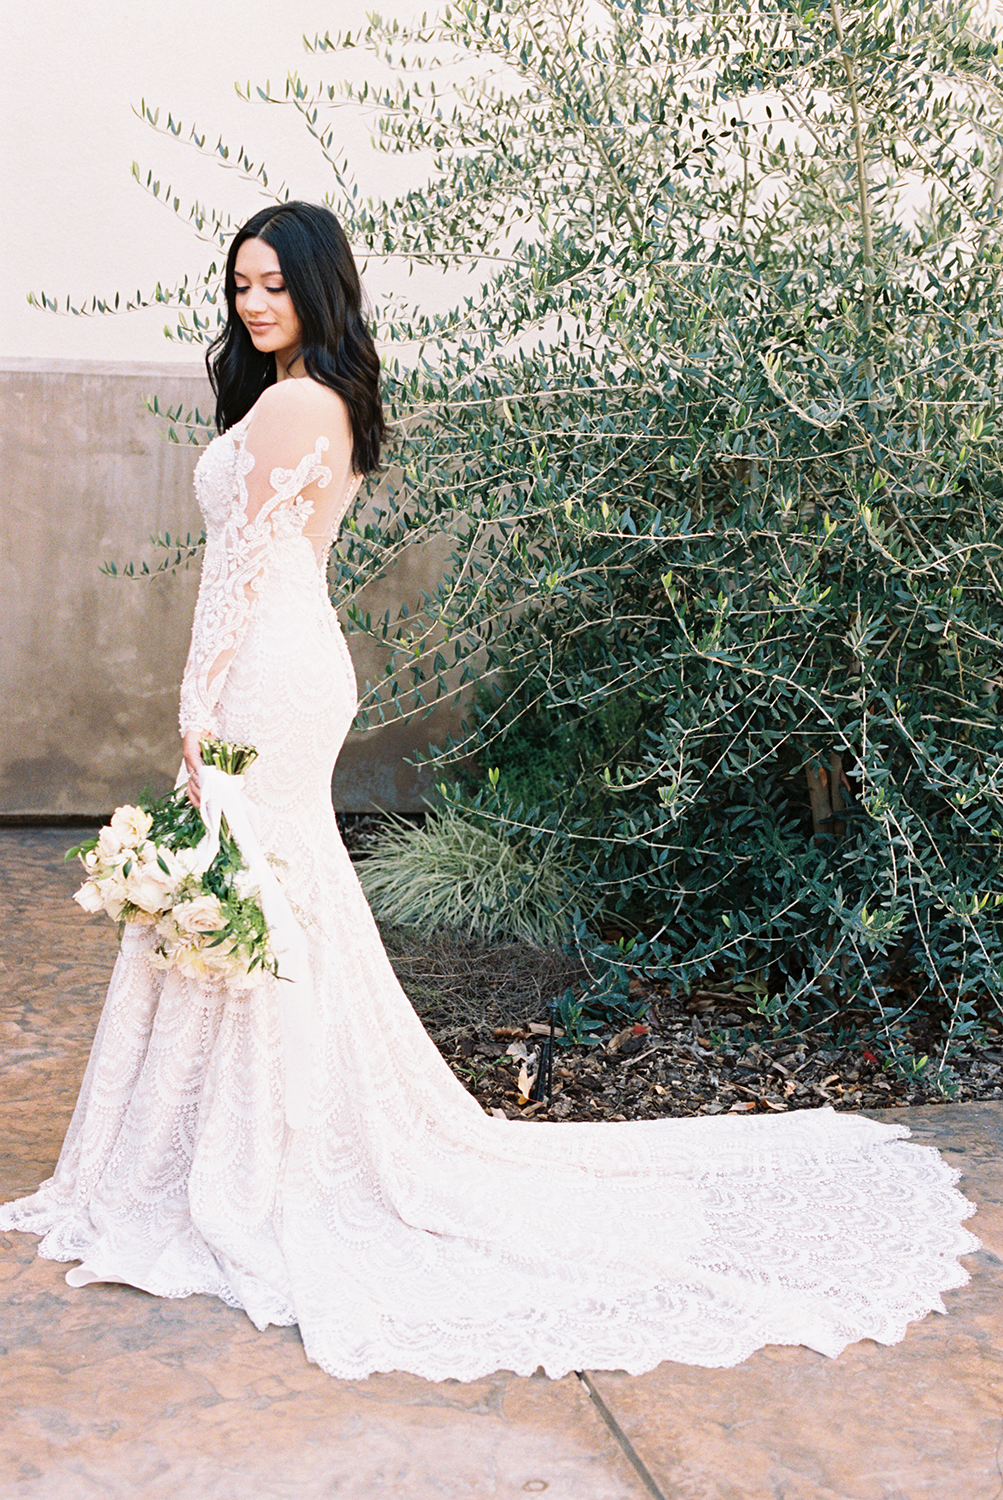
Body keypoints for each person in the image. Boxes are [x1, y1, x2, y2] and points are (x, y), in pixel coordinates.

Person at [0, 202, 978, 1382]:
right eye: (241, 284)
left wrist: (191, 704)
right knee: (261, 893)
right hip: (286, 658)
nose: (254, 303)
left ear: (318, 288)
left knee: (251, 889)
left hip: (264, 665)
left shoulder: (297, 403)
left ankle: (265, 1158)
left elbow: (238, 569)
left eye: (274, 284)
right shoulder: (318, 397)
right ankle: (242, 1137)